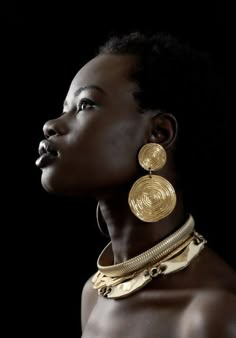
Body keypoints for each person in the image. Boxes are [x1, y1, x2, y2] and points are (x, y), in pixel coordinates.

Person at [36, 32, 236, 337]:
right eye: (65, 108)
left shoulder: (211, 313)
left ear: (158, 132)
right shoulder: (93, 295)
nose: (52, 125)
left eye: (85, 104)